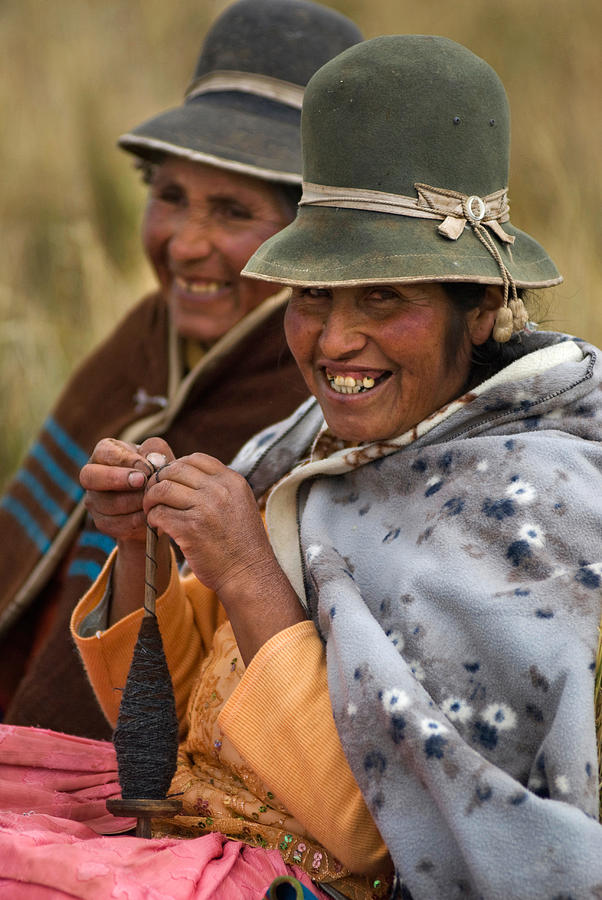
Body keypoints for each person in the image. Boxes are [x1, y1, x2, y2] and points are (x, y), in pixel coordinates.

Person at [1, 32, 601, 900]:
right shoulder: (304, 445)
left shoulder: (525, 509)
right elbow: (165, 727)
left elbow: (389, 843)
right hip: (182, 833)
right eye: (313, 295)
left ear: (480, 311)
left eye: (385, 297)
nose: (333, 340)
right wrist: (142, 548)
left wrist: (248, 570)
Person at [0, 0, 362, 739]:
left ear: (314, 239)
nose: (187, 245)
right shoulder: (146, 335)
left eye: (232, 212)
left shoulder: (331, 392)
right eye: (169, 197)